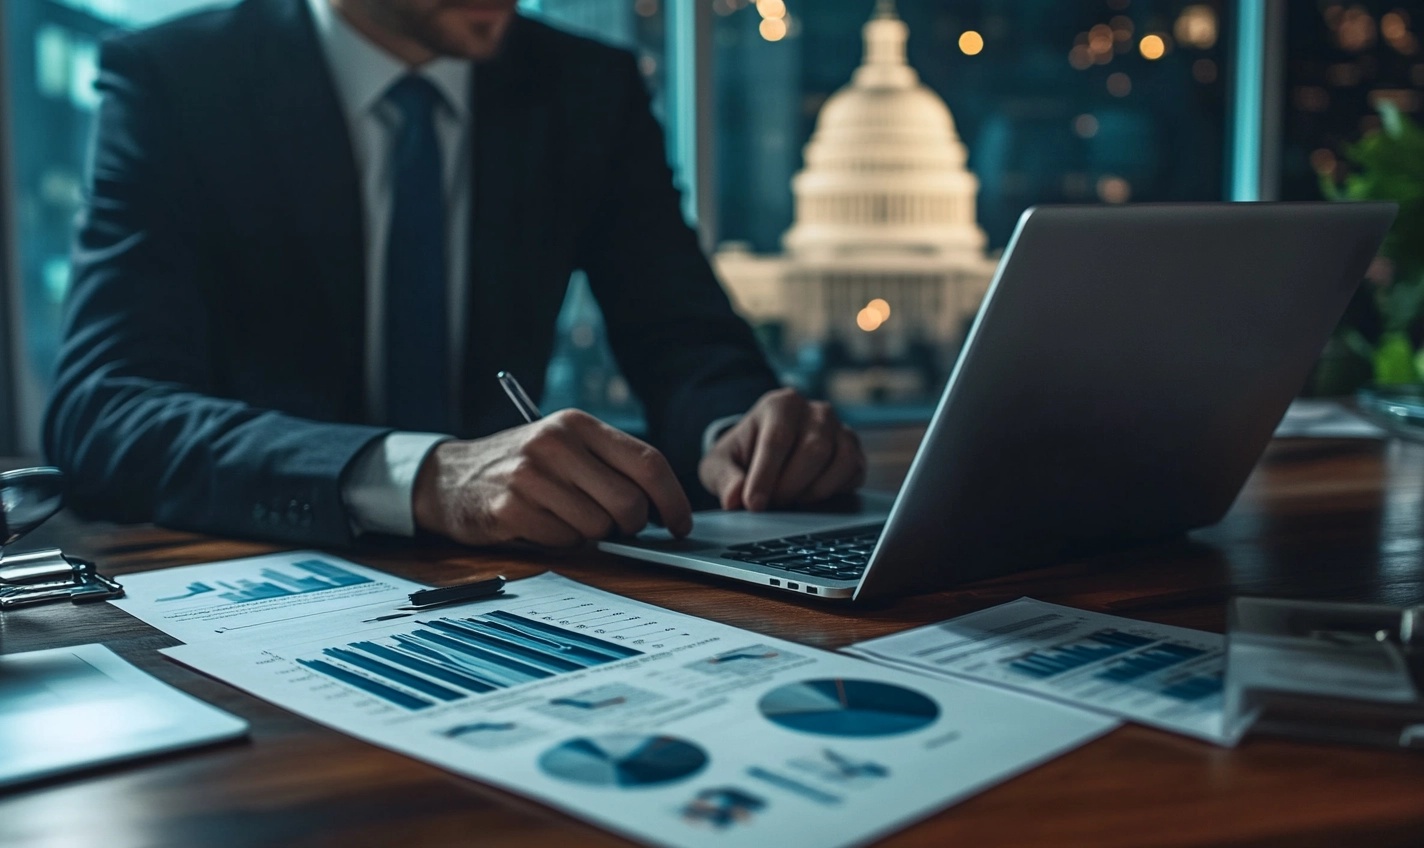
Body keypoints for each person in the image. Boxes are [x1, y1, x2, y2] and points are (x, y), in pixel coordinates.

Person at [43, 0, 866, 549]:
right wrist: (423, 475)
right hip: (241, 581)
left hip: (521, 589)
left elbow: (684, 341)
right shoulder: (177, 82)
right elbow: (105, 412)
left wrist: (741, 432)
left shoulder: (588, 89)